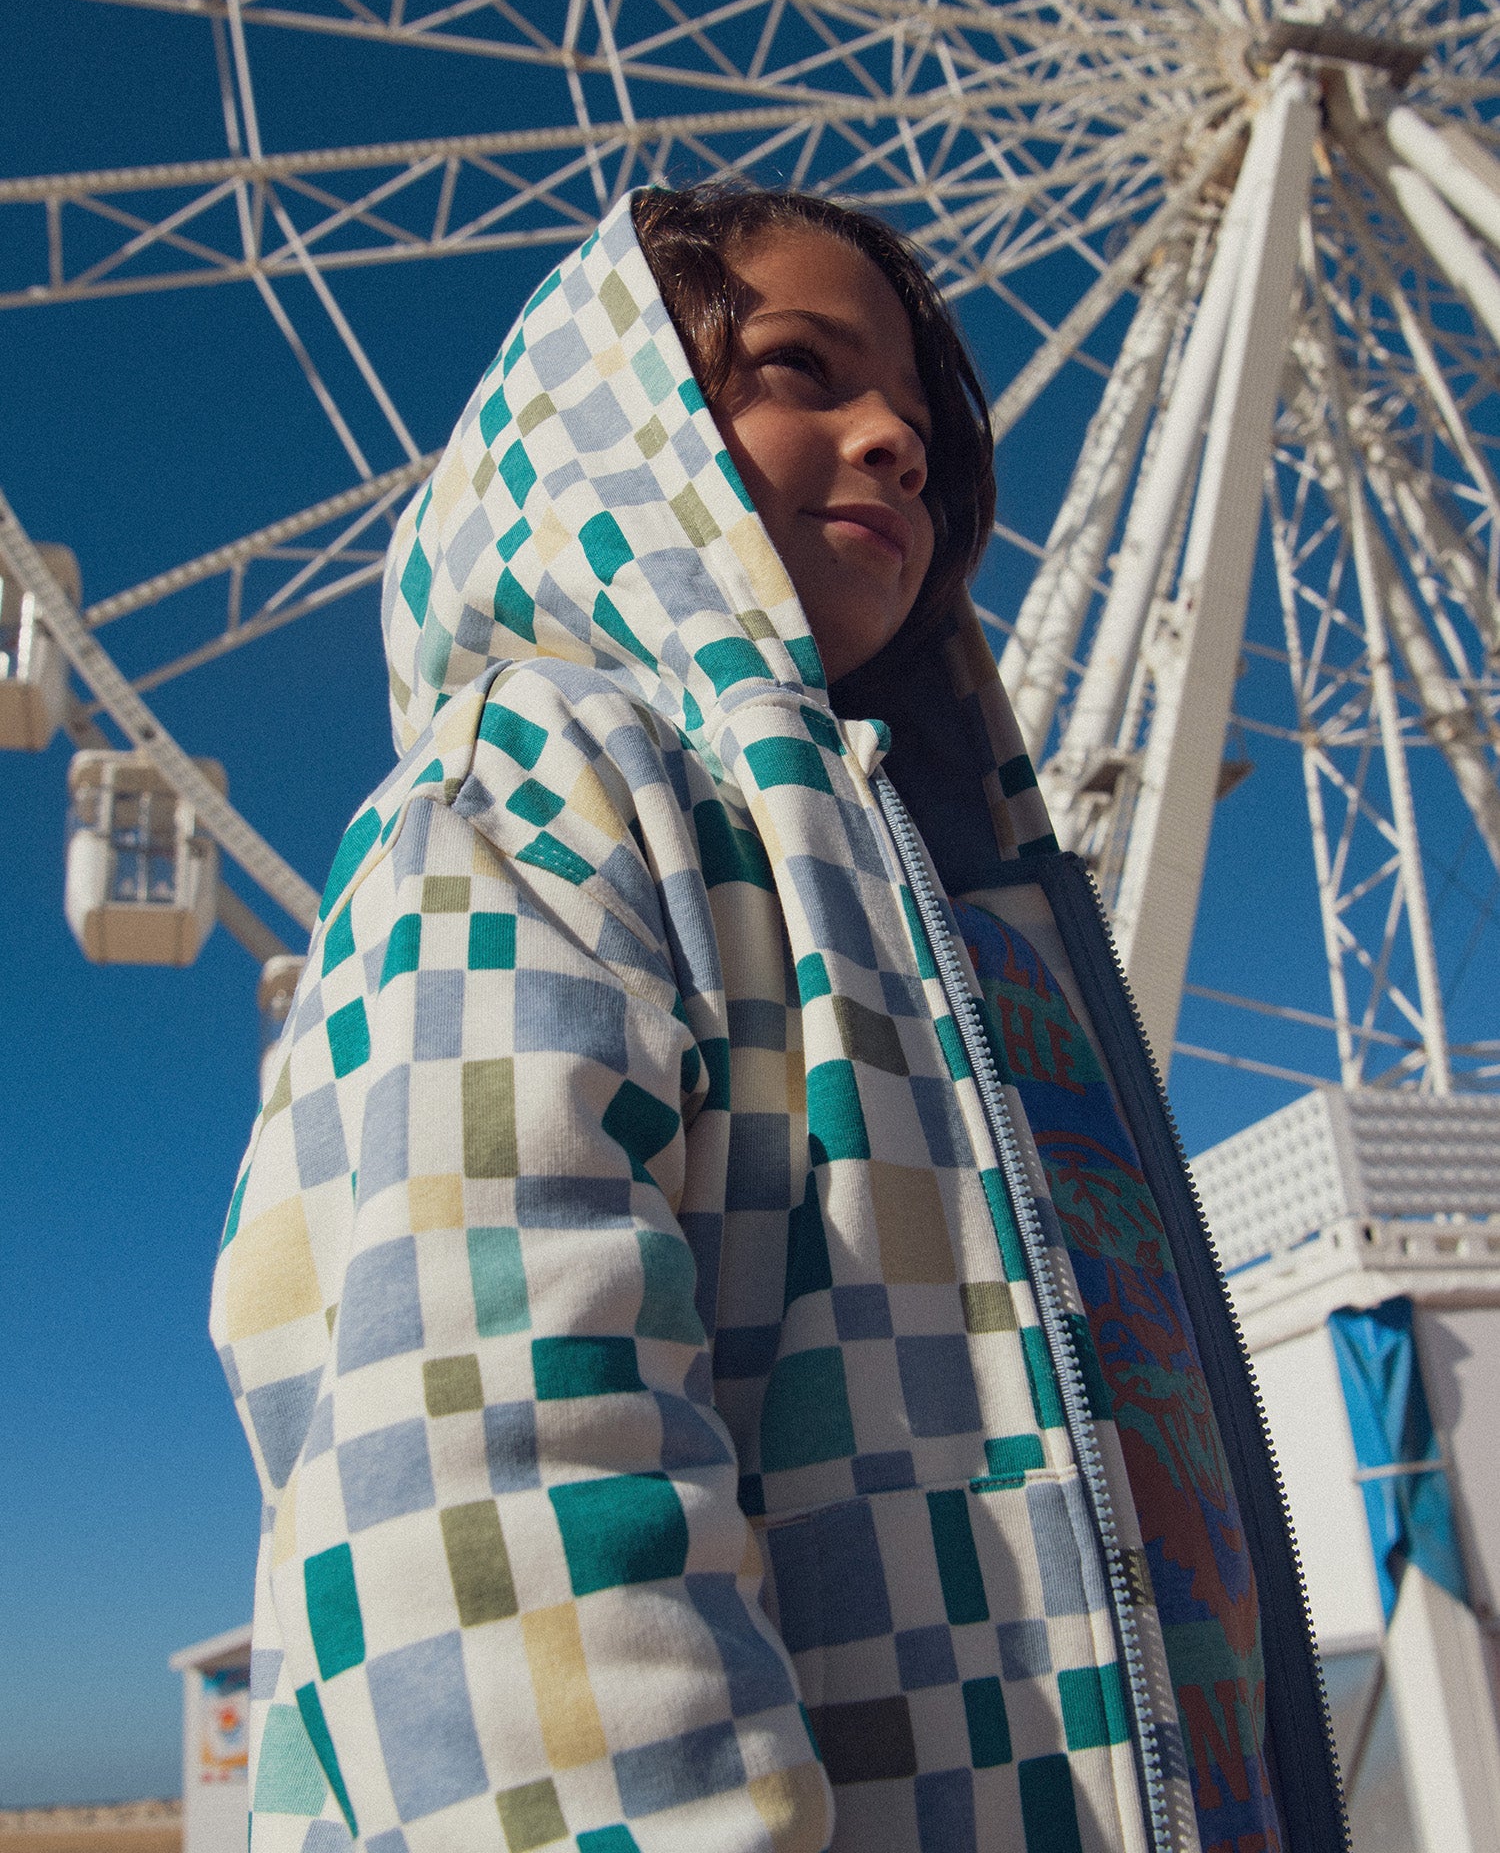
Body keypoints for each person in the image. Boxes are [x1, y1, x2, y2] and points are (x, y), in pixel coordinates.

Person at [211, 185, 1344, 1853]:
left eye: (922, 424)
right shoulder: (543, 791)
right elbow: (493, 1482)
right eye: (804, 370)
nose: (893, 436)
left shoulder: (980, 934)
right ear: (627, 421)